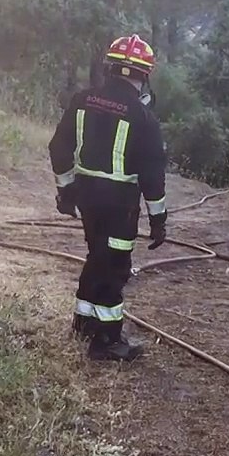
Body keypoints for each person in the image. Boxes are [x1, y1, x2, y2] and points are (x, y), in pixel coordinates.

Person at [49, 34, 168, 362]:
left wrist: (66, 189)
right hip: (120, 203)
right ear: (144, 76)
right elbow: (152, 175)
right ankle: (107, 340)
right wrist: (158, 219)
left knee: (96, 256)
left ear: (109, 68)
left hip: (87, 195)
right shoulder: (144, 118)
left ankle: (83, 323)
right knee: (114, 267)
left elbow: (59, 147)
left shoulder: (82, 100)